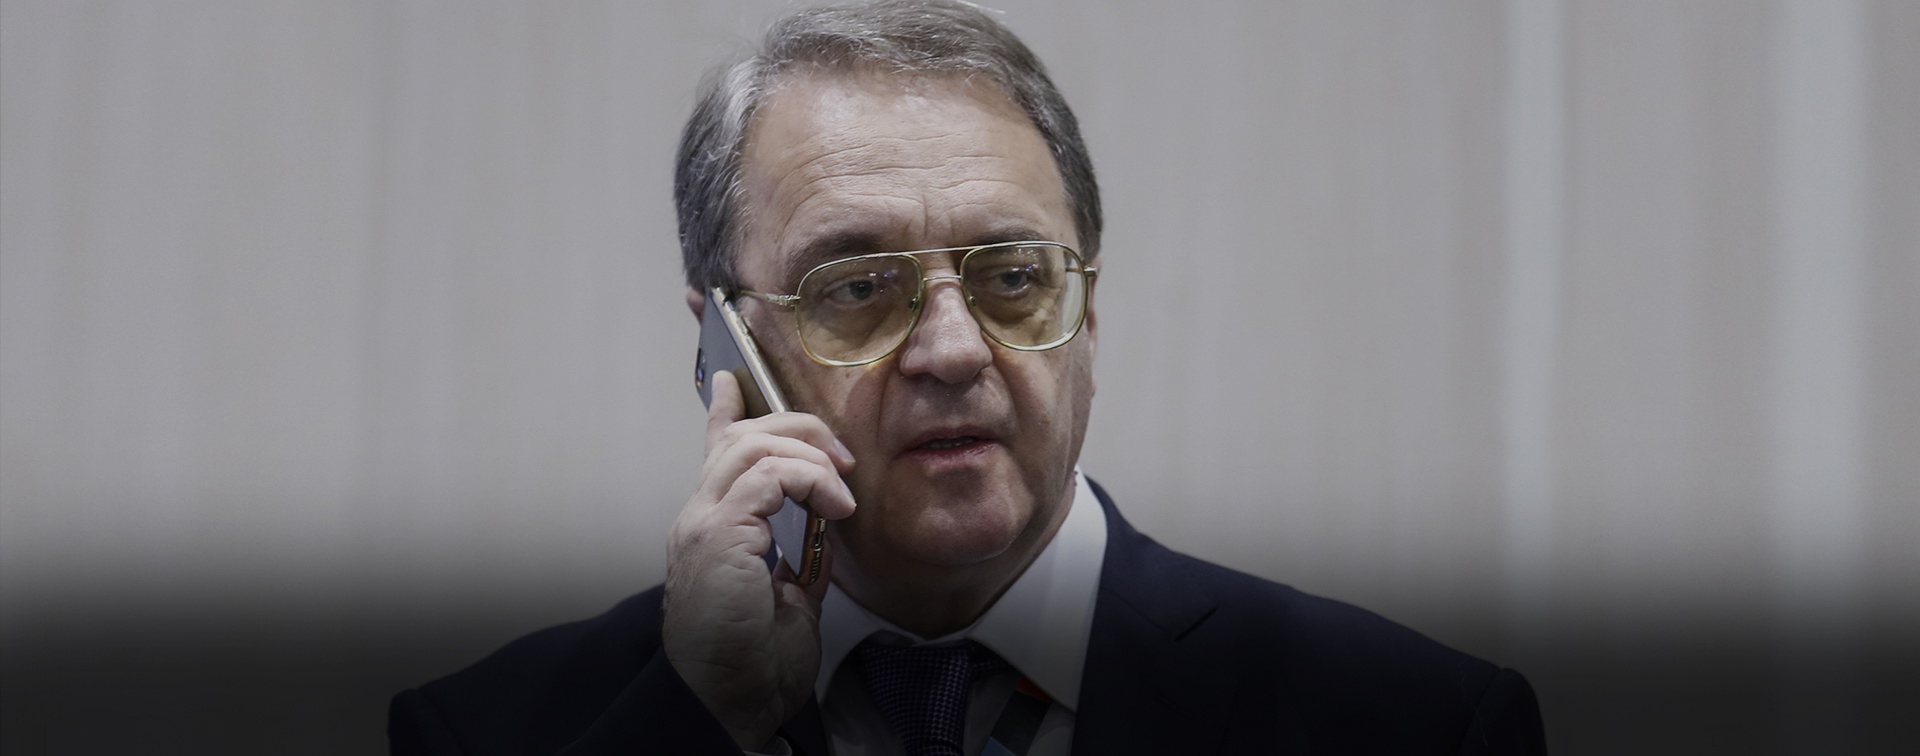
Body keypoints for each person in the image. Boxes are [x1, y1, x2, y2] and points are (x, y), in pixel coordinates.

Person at [388, 2, 1547, 754]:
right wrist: (707, 724)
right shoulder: (488, 732)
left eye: (1012, 277)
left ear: (1089, 311)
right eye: (857, 286)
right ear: (726, 346)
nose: (952, 350)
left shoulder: (1418, 725)